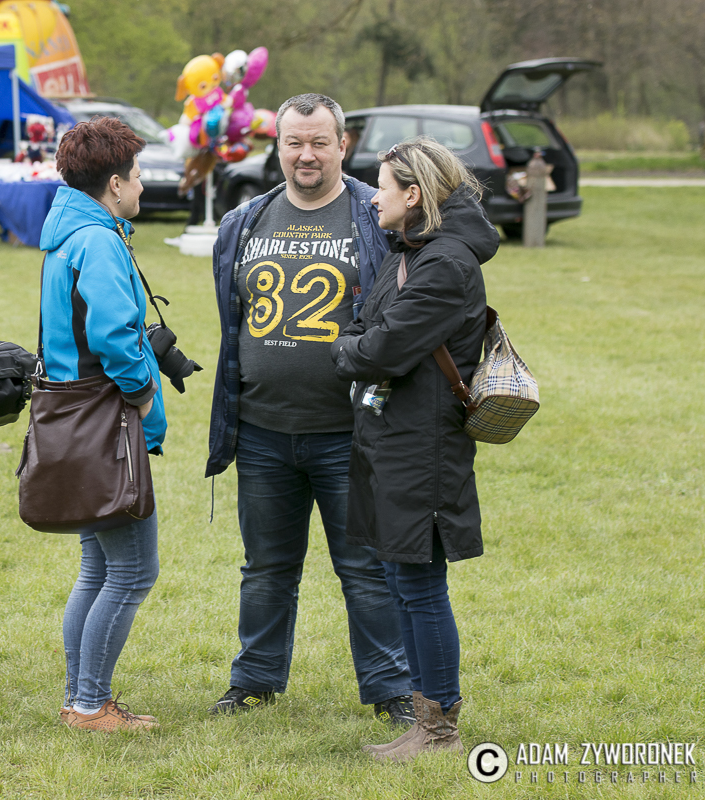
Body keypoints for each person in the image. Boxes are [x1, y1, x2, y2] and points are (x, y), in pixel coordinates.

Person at [204, 93, 414, 725]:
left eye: (320, 142)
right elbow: (233, 320)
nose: (307, 155)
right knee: (265, 568)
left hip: (350, 432)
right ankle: (254, 681)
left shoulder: (374, 216)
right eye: (294, 142)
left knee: (366, 570)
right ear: (278, 146)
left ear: (342, 145)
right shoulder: (243, 222)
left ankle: (392, 690)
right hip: (262, 431)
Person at [331, 136, 496, 762]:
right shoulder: (412, 251)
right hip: (391, 436)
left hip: (423, 445)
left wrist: (350, 352)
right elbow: (364, 327)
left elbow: (379, 349)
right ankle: (425, 721)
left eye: (383, 188)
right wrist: (357, 346)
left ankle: (440, 730)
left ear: (416, 194)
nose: (374, 199)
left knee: (420, 586)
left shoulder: (446, 264)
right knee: (402, 580)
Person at [39, 117, 165, 731]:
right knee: (134, 571)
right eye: (136, 176)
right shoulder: (97, 240)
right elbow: (113, 334)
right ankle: (91, 704)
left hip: (74, 419)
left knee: (98, 567)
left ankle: (78, 701)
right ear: (114, 184)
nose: (141, 186)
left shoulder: (67, 234)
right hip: (105, 422)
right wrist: (143, 393)